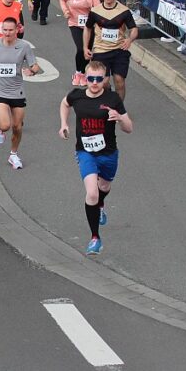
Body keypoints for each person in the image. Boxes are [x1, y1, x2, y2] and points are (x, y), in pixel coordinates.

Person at [58, 61, 133, 255]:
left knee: (104, 188)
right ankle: (95, 237)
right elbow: (65, 103)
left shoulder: (113, 98)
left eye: (99, 79)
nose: (94, 82)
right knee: (91, 193)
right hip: (85, 152)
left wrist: (120, 118)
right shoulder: (77, 95)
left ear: (105, 79)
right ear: (85, 77)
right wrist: (63, 124)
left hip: (108, 153)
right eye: (90, 78)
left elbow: (129, 128)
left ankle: (100, 204)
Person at [0, 18, 41, 170]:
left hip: (17, 91)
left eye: (10, 30)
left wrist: (31, 71)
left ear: (17, 30)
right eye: (4, 30)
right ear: (1, 30)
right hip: (0, 91)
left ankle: (13, 154)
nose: (7, 33)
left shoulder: (24, 46)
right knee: (6, 125)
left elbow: (35, 65)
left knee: (17, 127)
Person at [83, 0, 138, 100]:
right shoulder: (95, 11)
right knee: (104, 82)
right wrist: (85, 47)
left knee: (119, 80)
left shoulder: (124, 11)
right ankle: (107, 98)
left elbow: (134, 29)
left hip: (119, 50)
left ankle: (118, 108)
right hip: (101, 50)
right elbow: (87, 28)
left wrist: (129, 40)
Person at [59, 0, 101, 86]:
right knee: (81, 49)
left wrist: (95, 17)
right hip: (75, 23)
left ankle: (84, 73)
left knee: (87, 50)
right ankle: (78, 72)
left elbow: (97, 6)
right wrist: (66, 11)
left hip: (89, 25)